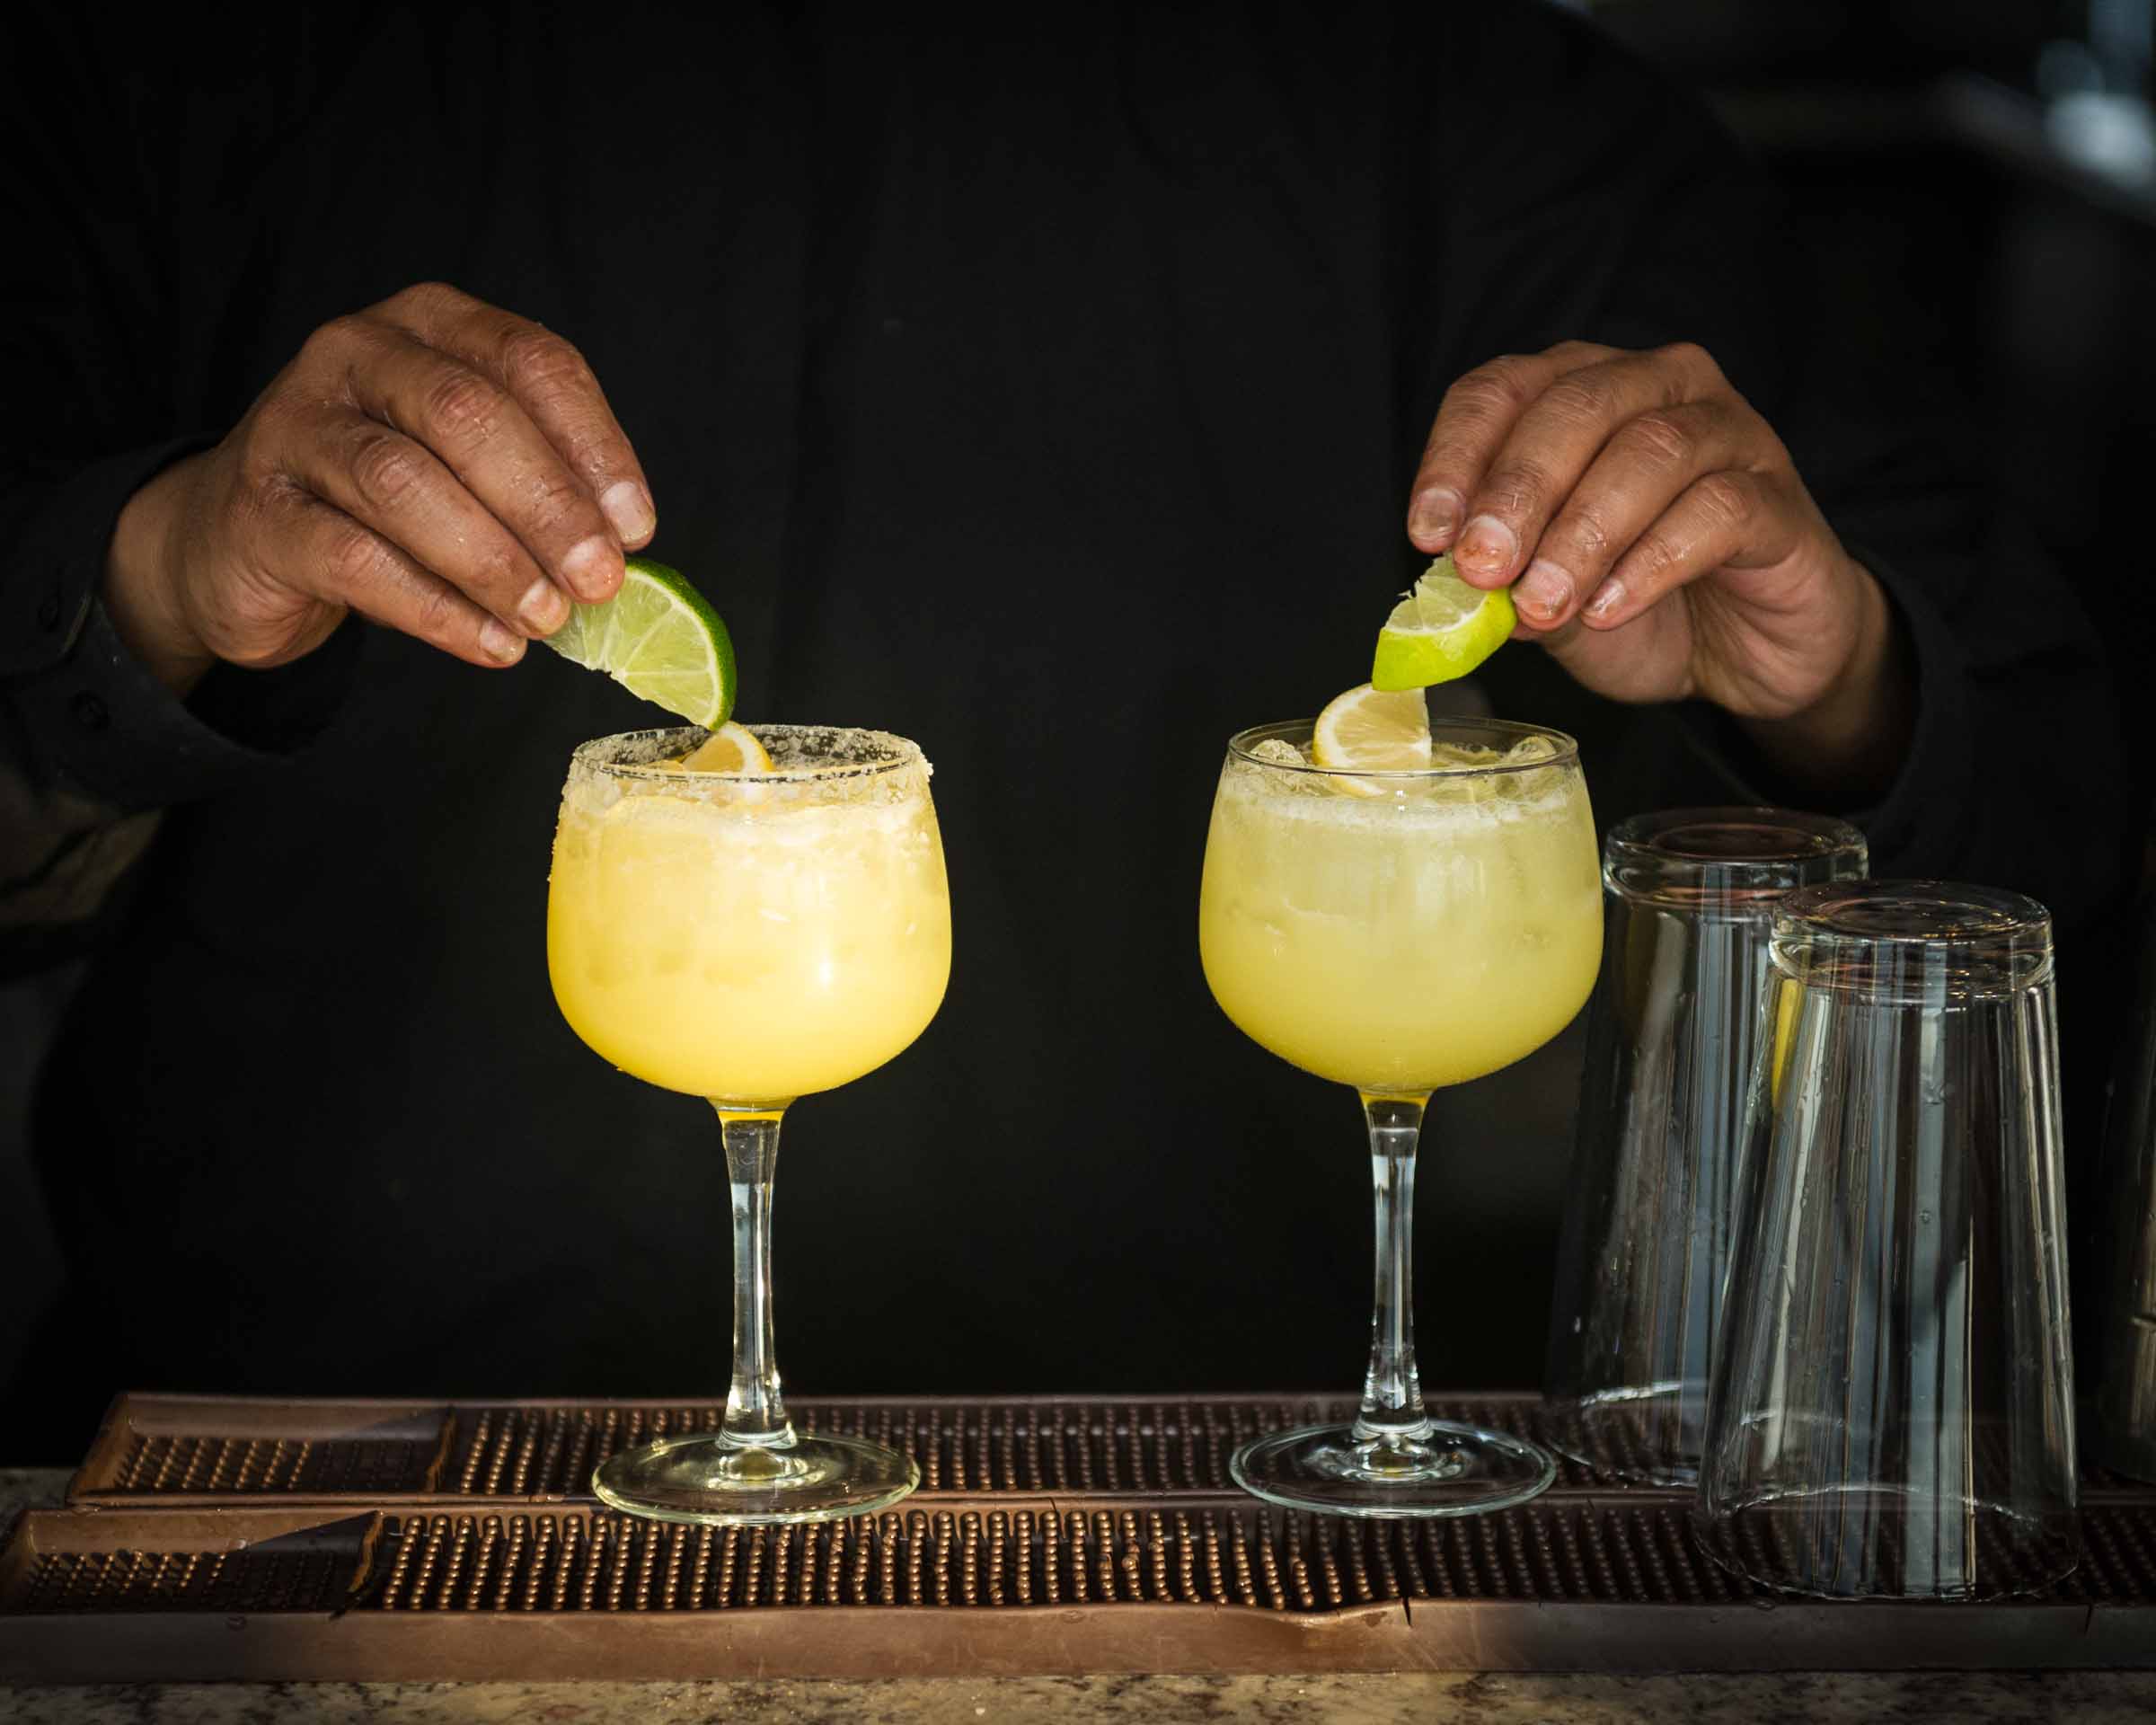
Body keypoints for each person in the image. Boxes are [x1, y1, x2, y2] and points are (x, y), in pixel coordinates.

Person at [1, 3, 2130, 1455]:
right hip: (308, 1451)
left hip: (1213, 1482)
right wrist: (164, 570)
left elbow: (2048, 805)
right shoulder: (223, 62)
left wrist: (1822, 667)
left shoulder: (1467, 103)